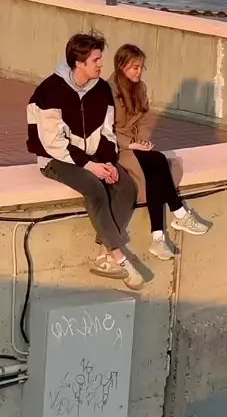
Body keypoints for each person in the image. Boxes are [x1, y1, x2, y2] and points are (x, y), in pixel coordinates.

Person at [26, 32, 143, 289]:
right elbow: (53, 142)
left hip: (93, 158)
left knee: (126, 187)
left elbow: (107, 131)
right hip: (54, 159)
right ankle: (118, 257)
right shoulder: (49, 91)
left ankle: (103, 255)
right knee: (94, 187)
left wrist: (108, 162)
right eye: (96, 60)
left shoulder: (101, 89)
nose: (101, 64)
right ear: (78, 63)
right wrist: (90, 166)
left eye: (100, 58)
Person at [110, 44, 210, 261]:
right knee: (157, 163)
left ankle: (159, 237)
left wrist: (142, 139)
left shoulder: (140, 88)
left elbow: (145, 118)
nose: (139, 72)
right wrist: (131, 144)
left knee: (157, 164)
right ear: (122, 66)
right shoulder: (108, 91)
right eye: (135, 67)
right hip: (117, 147)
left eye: (141, 67)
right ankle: (178, 215)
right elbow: (105, 130)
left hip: (136, 144)